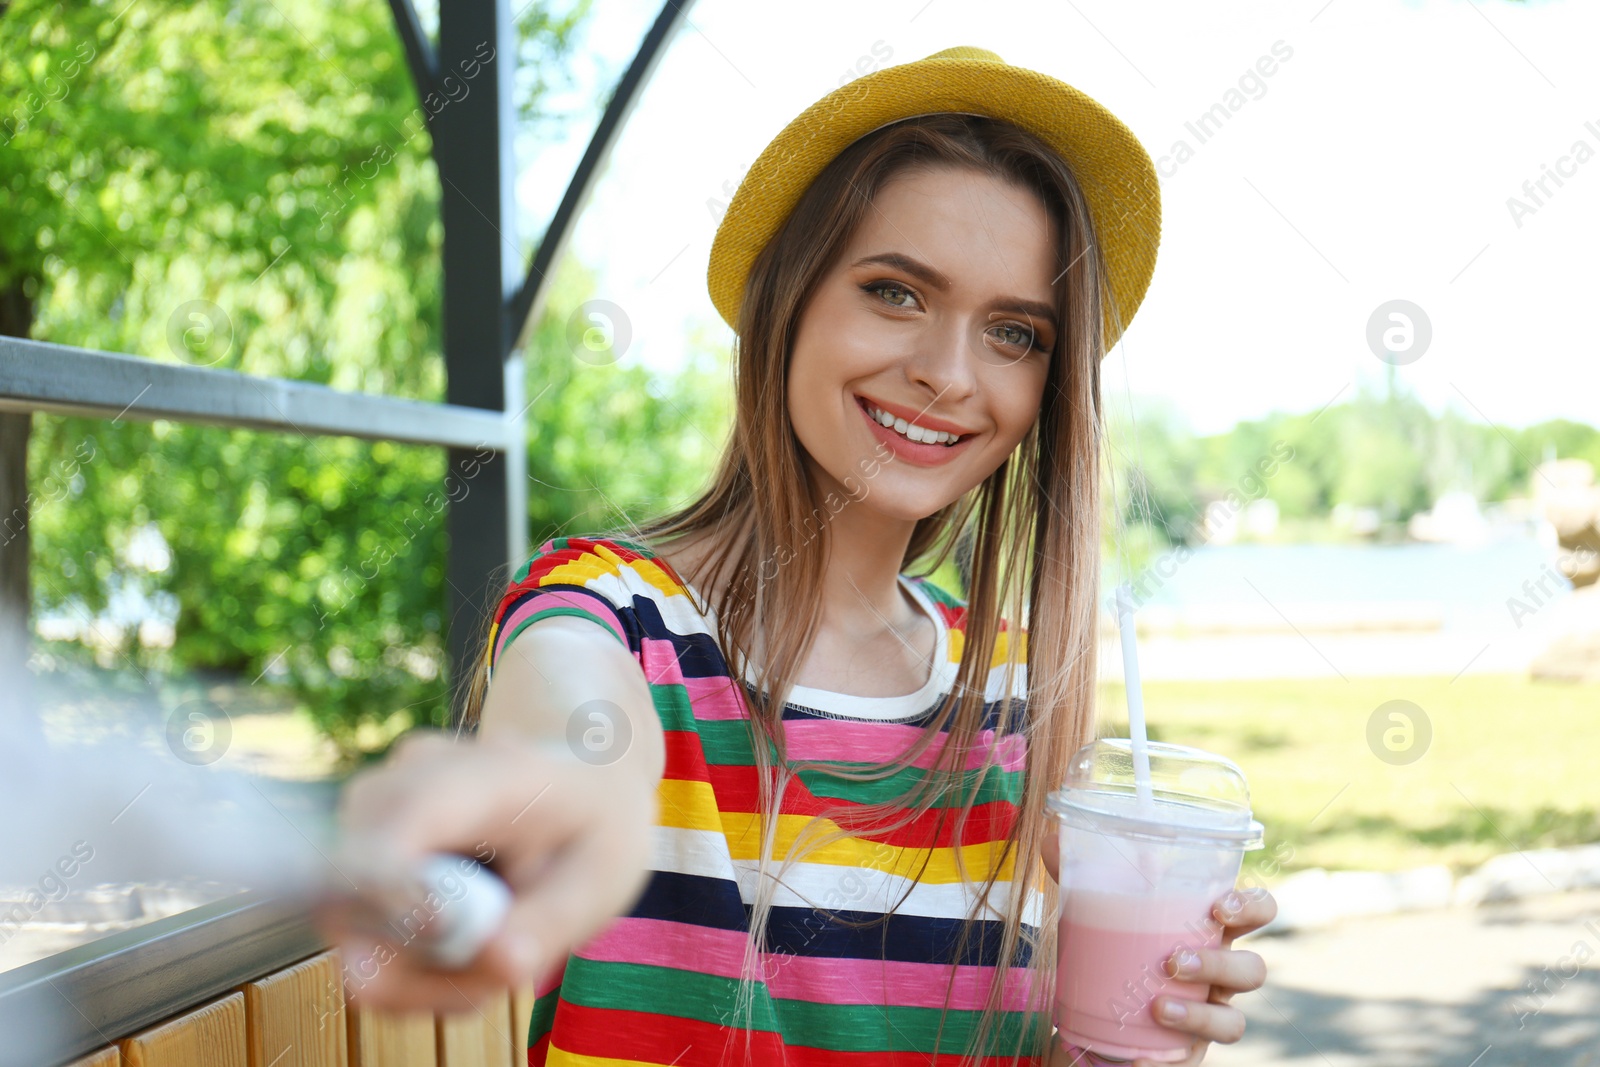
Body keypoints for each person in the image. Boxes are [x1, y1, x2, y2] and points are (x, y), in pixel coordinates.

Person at [324, 45, 1277, 1066]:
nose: (948, 374)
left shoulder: (1007, 687)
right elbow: (572, 726)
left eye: (1013, 332)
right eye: (895, 292)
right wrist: (552, 787)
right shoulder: (613, 614)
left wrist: (1113, 1042)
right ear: (789, 296)